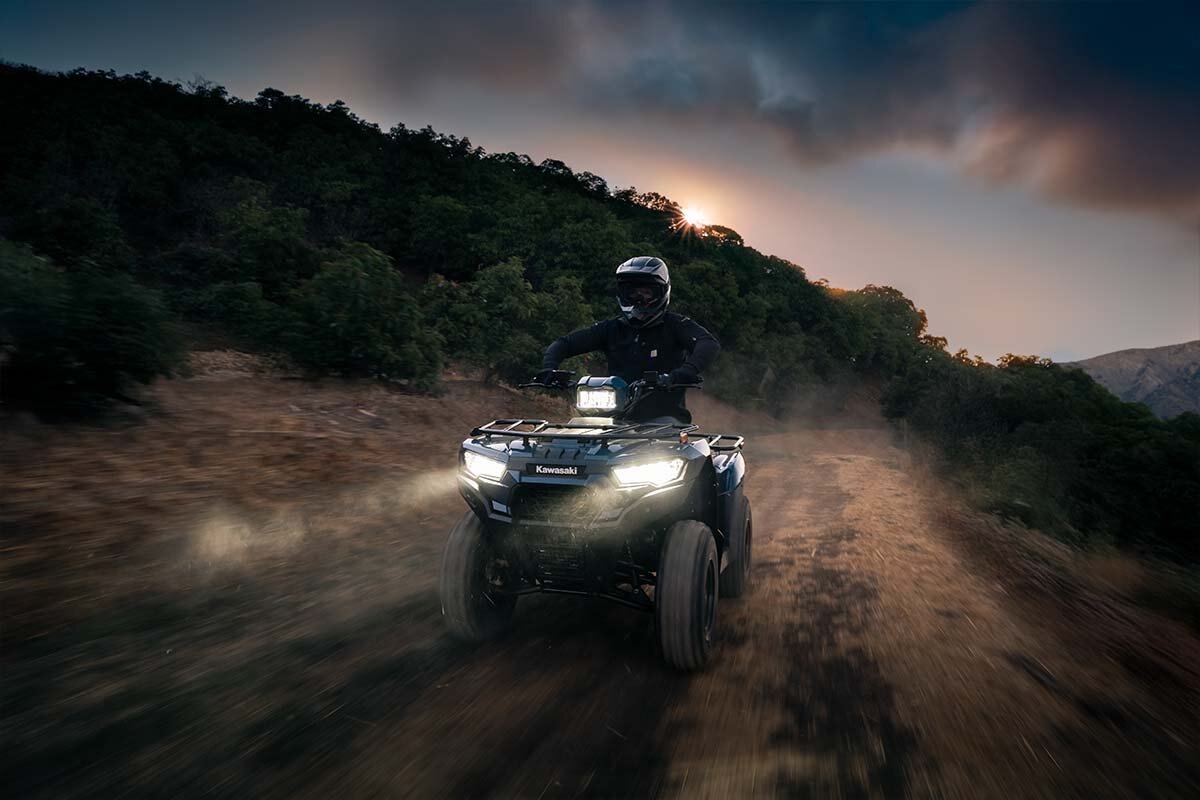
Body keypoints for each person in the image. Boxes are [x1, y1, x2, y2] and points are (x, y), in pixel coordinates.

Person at [537, 256, 720, 423]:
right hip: (613, 418)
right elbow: (565, 343)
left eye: (646, 292)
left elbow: (708, 343)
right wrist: (549, 369)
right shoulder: (611, 328)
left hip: (665, 420)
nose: (638, 298)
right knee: (577, 436)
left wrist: (684, 372)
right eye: (631, 292)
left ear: (662, 292)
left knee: (662, 442)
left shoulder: (675, 325)